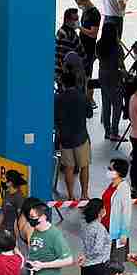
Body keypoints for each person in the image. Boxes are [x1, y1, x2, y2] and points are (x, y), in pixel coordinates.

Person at [102, 159, 133, 275]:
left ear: (118, 172)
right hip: (105, 232)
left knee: (117, 269)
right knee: (107, 268)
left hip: (117, 236)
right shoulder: (111, 185)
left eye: (111, 168)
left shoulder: (123, 188)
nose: (108, 170)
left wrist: (124, 234)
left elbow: (126, 212)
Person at [54, 70, 91, 200]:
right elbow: (90, 114)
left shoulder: (58, 98)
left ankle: (70, 196)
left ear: (63, 83)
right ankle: (84, 195)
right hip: (81, 137)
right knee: (84, 166)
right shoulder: (82, 96)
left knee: (69, 168)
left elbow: (54, 118)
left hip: (65, 139)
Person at [77, 199, 111, 275]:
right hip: (99, 267)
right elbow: (98, 249)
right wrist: (87, 255)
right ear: (100, 211)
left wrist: (85, 257)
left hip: (86, 267)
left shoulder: (86, 227)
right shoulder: (100, 228)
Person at [0, 169, 27, 248]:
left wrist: (16, 237)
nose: (3, 180)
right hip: (3, 231)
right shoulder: (7, 193)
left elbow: (21, 219)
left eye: (5, 178)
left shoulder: (19, 198)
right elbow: (2, 214)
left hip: (13, 234)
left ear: (10, 182)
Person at [96, 31, 123, 139]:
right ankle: (114, 131)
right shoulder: (117, 47)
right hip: (114, 76)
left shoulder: (99, 44)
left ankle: (107, 131)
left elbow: (97, 56)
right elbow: (120, 63)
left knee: (106, 103)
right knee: (117, 104)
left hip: (102, 74)